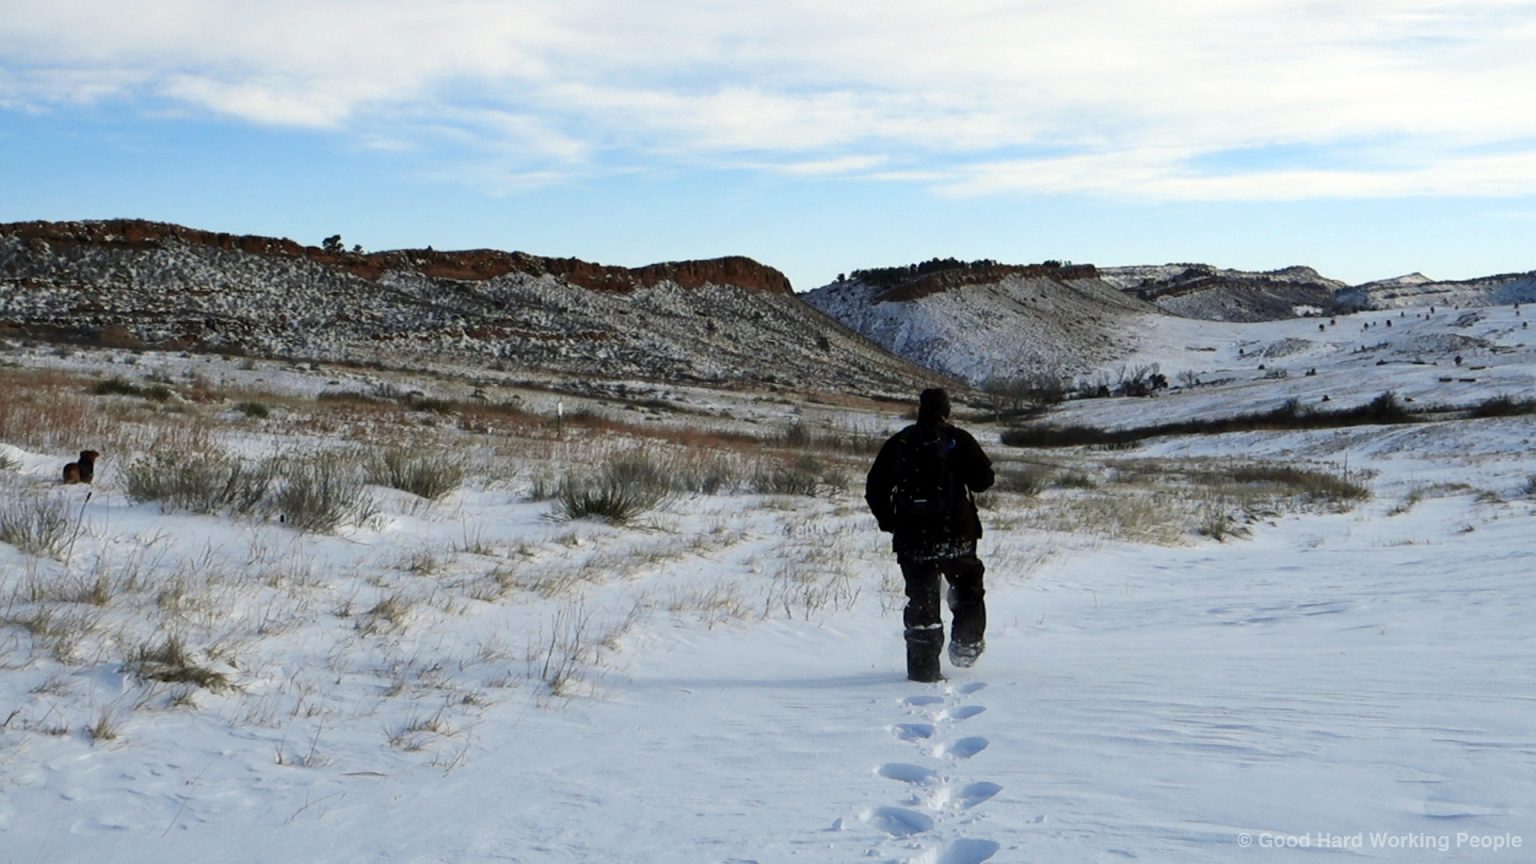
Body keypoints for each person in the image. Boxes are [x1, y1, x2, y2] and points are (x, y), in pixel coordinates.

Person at [865, 388, 995, 682]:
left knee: (922, 602)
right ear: (946, 410)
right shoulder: (959, 439)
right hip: (957, 535)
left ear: (920, 409)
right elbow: (984, 481)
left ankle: (924, 673)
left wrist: (890, 522)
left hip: (913, 538)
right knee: (968, 592)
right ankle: (966, 647)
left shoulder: (900, 442)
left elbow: (875, 489)